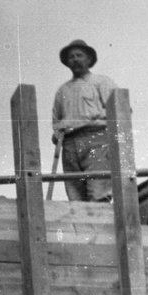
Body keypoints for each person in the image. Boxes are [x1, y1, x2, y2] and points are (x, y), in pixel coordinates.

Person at [51, 39, 115, 203]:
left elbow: (120, 109)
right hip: (69, 144)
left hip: (96, 139)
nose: (75, 59)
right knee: (75, 196)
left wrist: (94, 118)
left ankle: (101, 219)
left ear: (88, 59)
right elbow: (56, 121)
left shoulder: (101, 82)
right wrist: (58, 132)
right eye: (71, 57)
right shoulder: (62, 90)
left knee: (98, 192)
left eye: (79, 55)